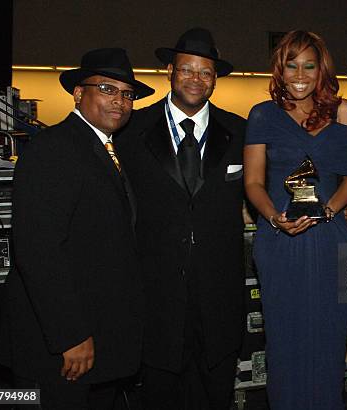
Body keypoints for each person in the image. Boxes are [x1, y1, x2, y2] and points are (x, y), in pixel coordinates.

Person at [0, 48, 154, 409]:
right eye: (107, 89)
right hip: (61, 347)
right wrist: (70, 336)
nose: (120, 101)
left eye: (127, 94)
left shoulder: (105, 149)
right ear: (79, 93)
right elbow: (38, 251)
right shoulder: (54, 149)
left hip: (97, 339)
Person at [115, 28, 246, 410]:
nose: (196, 79)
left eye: (205, 72)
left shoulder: (240, 131)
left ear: (215, 79)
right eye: (187, 69)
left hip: (219, 301)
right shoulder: (131, 130)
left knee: (215, 397)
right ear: (170, 71)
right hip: (155, 300)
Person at [244, 30, 347, 410]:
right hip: (279, 240)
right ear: (280, 69)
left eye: (309, 65)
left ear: (321, 69)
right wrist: (275, 219)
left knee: (328, 337)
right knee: (284, 338)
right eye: (291, 65)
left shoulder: (342, 110)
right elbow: (254, 181)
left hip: (329, 239)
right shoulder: (262, 114)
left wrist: (329, 210)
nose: (300, 74)